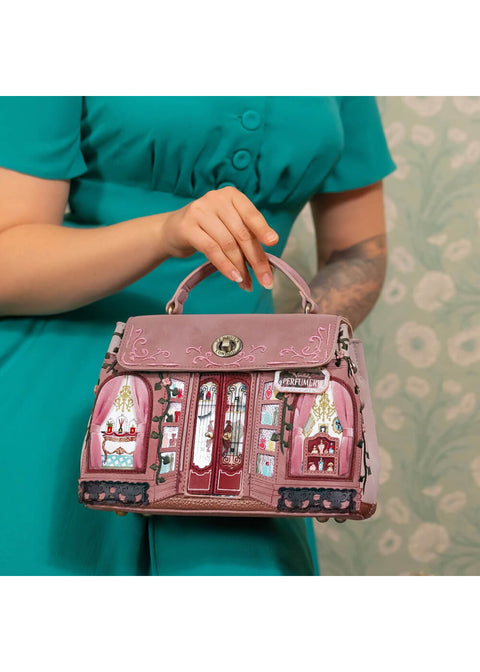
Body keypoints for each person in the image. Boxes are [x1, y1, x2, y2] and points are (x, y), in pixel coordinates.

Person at [0, 96, 395, 576]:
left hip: (253, 409)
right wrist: (166, 232)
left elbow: (358, 252)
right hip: (70, 393)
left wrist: (295, 365)